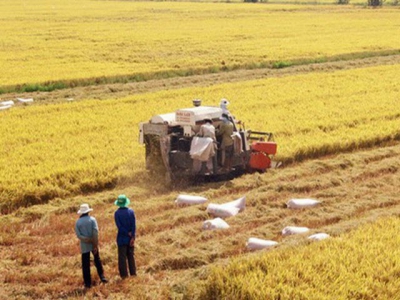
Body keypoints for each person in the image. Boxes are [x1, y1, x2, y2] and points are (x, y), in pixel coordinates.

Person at [75, 203, 107, 289]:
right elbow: (95, 233)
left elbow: (78, 235)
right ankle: (102, 277)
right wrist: (95, 244)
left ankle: (87, 283)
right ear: (88, 211)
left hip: (84, 246)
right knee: (97, 260)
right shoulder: (93, 220)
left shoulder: (78, 222)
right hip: (93, 244)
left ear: (81, 212)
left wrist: (86, 240)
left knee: (85, 264)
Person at [114, 194, 137, 278]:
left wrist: (127, 233)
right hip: (130, 238)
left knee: (122, 258)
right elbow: (134, 225)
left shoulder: (117, 213)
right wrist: (133, 236)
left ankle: (124, 275)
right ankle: (133, 273)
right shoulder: (131, 212)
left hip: (121, 238)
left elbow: (119, 227)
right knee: (131, 256)